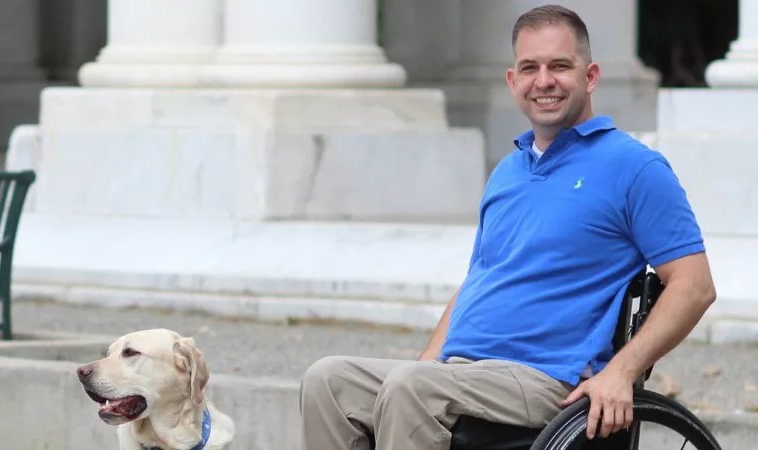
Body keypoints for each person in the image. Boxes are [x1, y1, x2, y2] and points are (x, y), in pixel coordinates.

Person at [299, 4, 716, 450]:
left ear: (590, 76)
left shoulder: (635, 168)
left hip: (545, 380)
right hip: (463, 373)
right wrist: (426, 362)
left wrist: (623, 372)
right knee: (328, 381)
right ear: (512, 81)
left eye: (560, 66)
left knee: (412, 388)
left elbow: (694, 286)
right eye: (529, 68)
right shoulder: (507, 172)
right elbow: (478, 280)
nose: (544, 81)